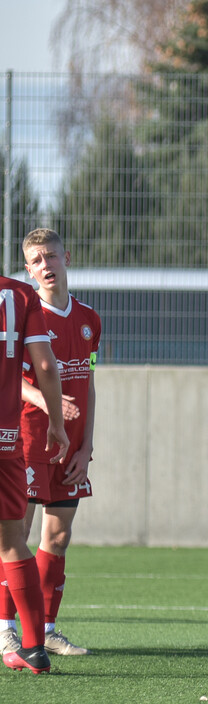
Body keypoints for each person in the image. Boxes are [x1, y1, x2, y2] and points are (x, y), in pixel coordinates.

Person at [0, 229, 99, 659]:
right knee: (16, 533)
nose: (46, 266)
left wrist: (86, 447)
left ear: (66, 258)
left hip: (70, 446)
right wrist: (43, 398)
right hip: (29, 439)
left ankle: (47, 629)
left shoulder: (89, 319)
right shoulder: (22, 312)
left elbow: (89, 382)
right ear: (28, 269)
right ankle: (7, 630)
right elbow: (18, 379)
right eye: (36, 260)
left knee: (58, 537)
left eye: (52, 257)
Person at [0, 232, 70, 674]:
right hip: (7, 440)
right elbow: (45, 364)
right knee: (12, 541)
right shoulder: (20, 295)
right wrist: (59, 425)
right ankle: (33, 646)